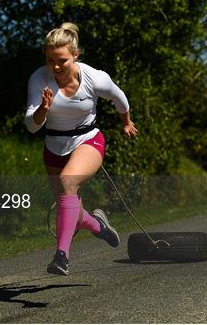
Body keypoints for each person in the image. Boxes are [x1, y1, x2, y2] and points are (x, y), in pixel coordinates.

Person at [25, 22, 137, 276]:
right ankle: (99, 226)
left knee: (67, 182)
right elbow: (31, 126)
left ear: (75, 55)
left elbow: (120, 99)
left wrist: (126, 122)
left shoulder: (95, 77)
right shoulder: (39, 78)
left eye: (61, 60)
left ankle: (61, 257)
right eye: (49, 60)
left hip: (88, 140)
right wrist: (42, 110)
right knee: (70, 210)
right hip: (54, 146)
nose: (54, 67)